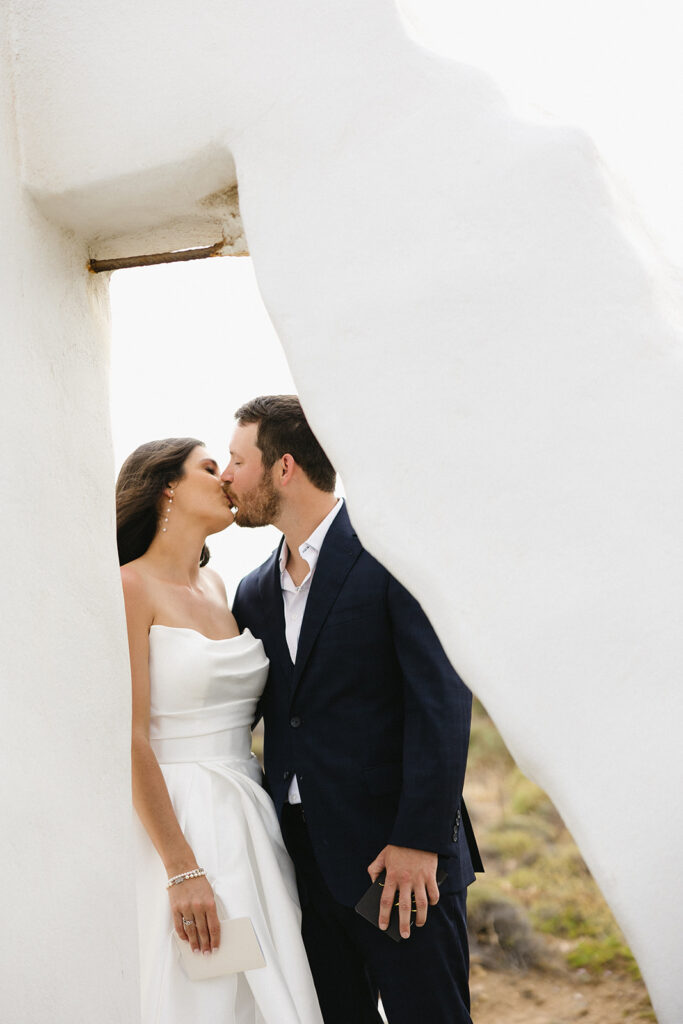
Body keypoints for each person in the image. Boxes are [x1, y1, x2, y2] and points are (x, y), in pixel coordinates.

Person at [222, 396, 483, 1024]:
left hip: (397, 863)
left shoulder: (391, 553)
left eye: (236, 460)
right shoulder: (253, 592)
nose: (226, 476)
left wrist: (419, 842)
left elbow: (441, 702)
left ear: (284, 467)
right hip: (303, 867)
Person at [116, 437, 323, 1024]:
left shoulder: (224, 590)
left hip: (251, 814)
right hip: (179, 817)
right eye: (211, 468)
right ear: (168, 487)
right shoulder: (130, 588)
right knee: (201, 992)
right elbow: (129, 738)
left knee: (271, 982)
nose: (227, 478)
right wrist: (182, 870)